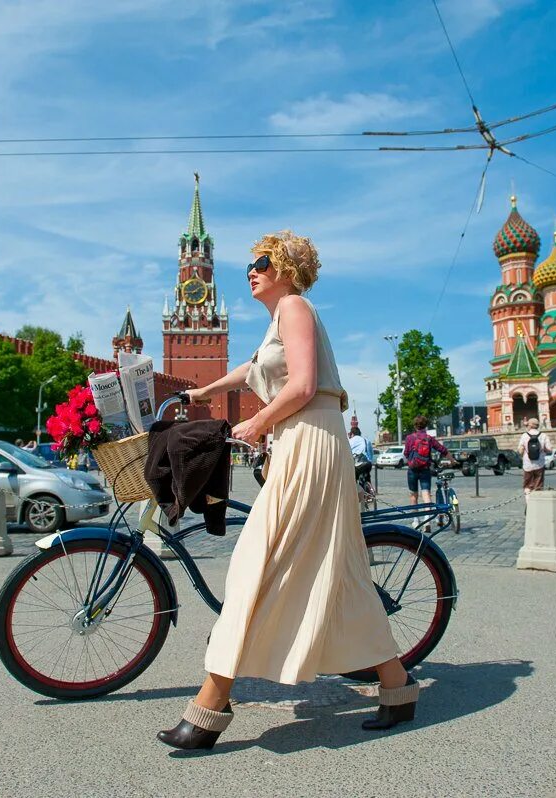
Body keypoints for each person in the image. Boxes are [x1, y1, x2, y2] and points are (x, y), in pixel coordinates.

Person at [158, 230, 415, 751]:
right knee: (335, 572)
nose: (250, 270)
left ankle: (210, 705)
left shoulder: (296, 306)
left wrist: (258, 424)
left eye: (260, 262)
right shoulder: (279, 319)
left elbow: (301, 384)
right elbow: (255, 368)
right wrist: (206, 390)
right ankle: (397, 686)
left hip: (310, 438)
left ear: (285, 268)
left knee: (259, 562)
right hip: (299, 439)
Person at [403, 415, 448, 506]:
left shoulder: (409, 438)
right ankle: (428, 517)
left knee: (413, 495)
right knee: (426, 493)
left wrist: (411, 458)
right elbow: (442, 449)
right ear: (425, 426)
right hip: (425, 468)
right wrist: (452, 460)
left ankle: (416, 519)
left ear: (415, 426)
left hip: (412, 469)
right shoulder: (429, 438)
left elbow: (406, 453)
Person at [517, 418, 551, 496]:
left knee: (527, 486)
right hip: (540, 464)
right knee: (538, 486)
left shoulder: (524, 435)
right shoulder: (543, 435)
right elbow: (549, 449)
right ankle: (537, 503)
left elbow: (520, 450)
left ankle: (529, 503)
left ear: (530, 425)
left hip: (527, 465)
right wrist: (542, 449)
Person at [348, 426, 374, 498]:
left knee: (353, 478)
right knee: (367, 477)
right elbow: (371, 453)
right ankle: (370, 490)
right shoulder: (366, 440)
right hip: (368, 463)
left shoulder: (351, 441)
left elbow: (347, 451)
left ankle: (358, 495)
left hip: (358, 463)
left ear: (352, 434)